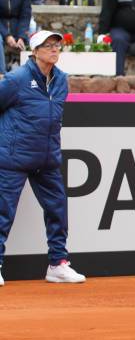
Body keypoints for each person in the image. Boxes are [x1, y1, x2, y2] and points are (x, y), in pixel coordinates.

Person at [0, 30, 87, 287]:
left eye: (57, 45)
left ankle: (58, 264)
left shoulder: (62, 80)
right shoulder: (16, 79)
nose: (54, 50)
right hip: (14, 158)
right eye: (48, 46)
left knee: (58, 210)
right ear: (34, 52)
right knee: (3, 212)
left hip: (47, 158)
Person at [0, 0, 31, 74]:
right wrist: (7, 36)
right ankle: (2, 74)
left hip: (17, 24)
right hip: (1, 26)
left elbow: (25, 15)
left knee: (33, 29)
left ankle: (30, 75)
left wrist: (21, 36)